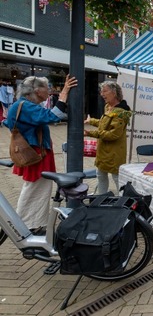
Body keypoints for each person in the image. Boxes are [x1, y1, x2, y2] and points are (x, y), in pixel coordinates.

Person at [5, 75, 77, 235]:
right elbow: (54, 116)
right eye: (47, 87)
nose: (50, 91)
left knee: (37, 188)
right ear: (37, 90)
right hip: (36, 155)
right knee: (36, 188)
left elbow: (7, 122)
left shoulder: (22, 105)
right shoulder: (27, 106)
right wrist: (64, 93)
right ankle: (27, 225)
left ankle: (31, 223)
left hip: (34, 153)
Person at [84, 81, 131, 194]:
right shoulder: (108, 107)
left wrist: (91, 133)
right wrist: (91, 121)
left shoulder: (121, 112)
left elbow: (113, 134)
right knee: (100, 175)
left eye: (105, 91)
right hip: (103, 151)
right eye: (101, 91)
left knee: (116, 177)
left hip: (114, 152)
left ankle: (124, 202)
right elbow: (104, 123)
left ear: (114, 93)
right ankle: (101, 198)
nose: (101, 94)